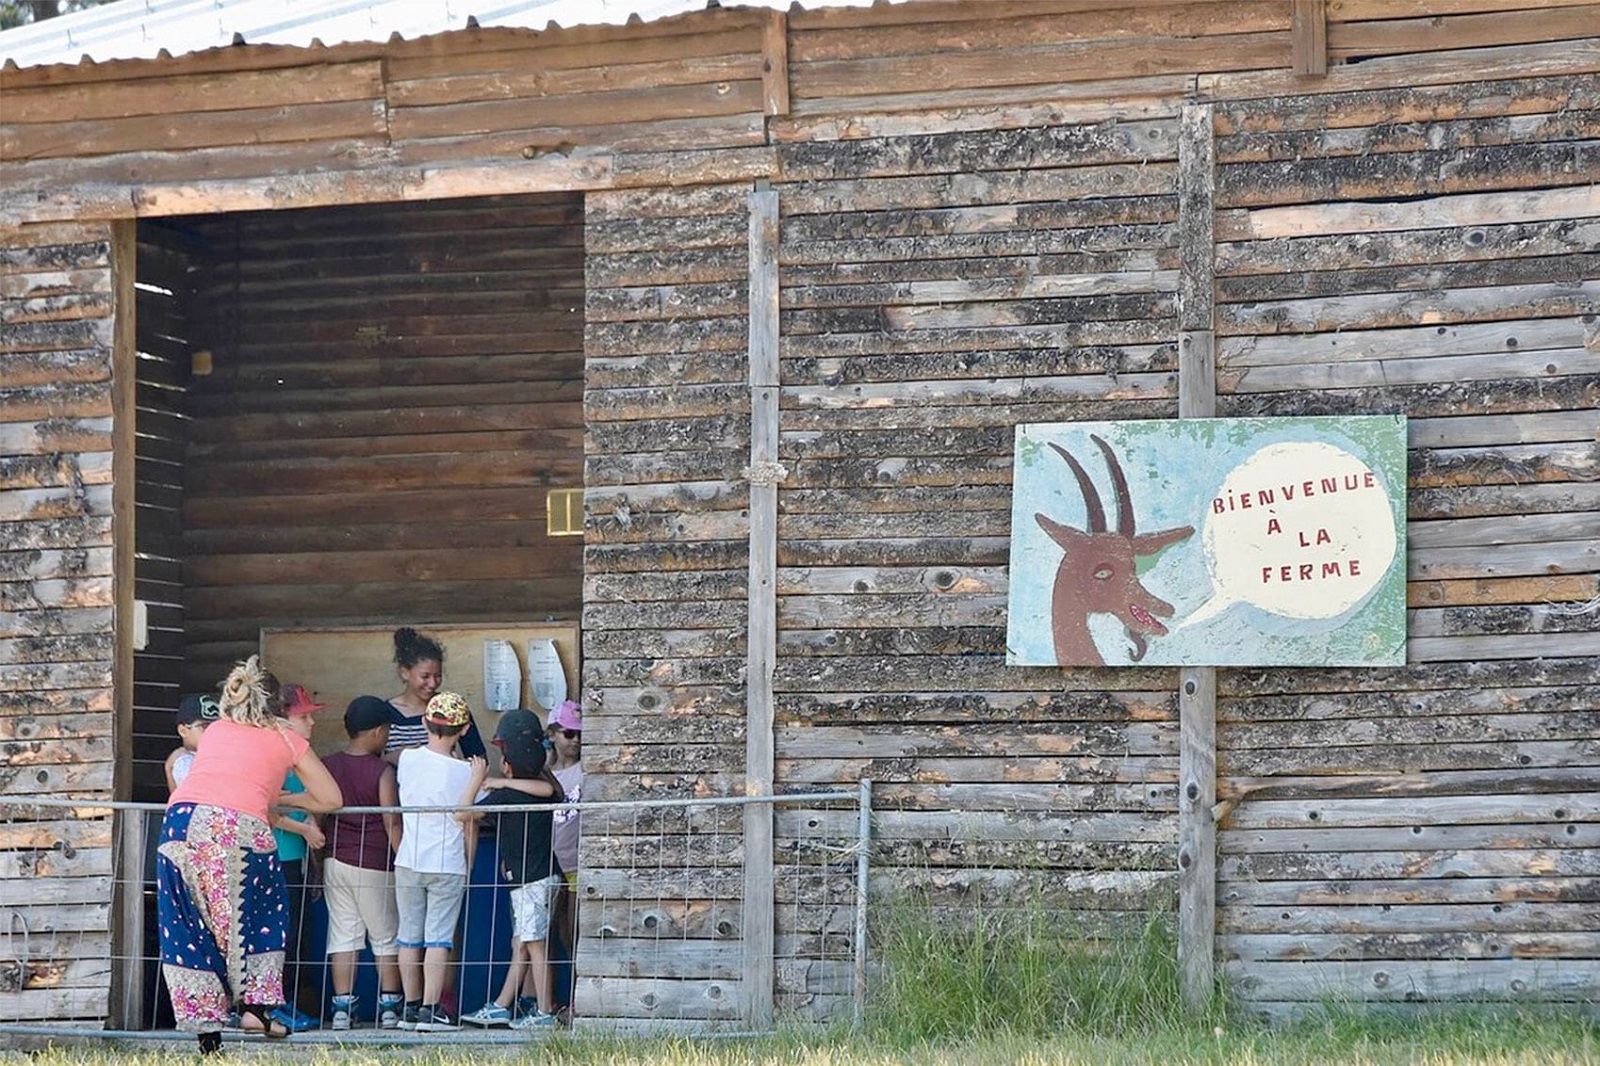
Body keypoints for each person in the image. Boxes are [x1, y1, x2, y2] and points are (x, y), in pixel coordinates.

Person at [157, 656, 342, 1054]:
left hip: (179, 820)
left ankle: (207, 1034)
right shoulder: (285, 737)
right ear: (281, 710)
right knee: (263, 911)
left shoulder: (219, 729)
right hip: (234, 825)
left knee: (190, 922)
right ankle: (257, 1009)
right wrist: (286, 796)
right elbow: (331, 798)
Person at [459, 709, 563, 1030]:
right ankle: (502, 1006)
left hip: (532, 881)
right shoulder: (542, 788)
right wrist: (507, 779)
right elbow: (550, 790)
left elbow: (463, 814)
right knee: (522, 943)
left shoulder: (506, 793)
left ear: (507, 762)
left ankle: (544, 1010)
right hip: (540, 878)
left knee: (534, 944)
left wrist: (480, 779)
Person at [394, 691, 483, 1032]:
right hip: (446, 860)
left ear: (423, 723)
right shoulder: (463, 772)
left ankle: (410, 1007)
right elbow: (467, 816)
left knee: (408, 936)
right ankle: (432, 1010)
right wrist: (475, 777)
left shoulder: (407, 760)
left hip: (409, 858)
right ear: (463, 730)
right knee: (438, 938)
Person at [321, 695, 405, 1031]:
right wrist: (404, 860)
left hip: (336, 860)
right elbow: (391, 822)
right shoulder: (382, 771)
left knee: (343, 936)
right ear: (374, 731)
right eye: (386, 730)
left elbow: (320, 811)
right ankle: (389, 1007)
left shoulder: (328, 765)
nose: (386, 737)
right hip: (373, 861)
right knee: (385, 936)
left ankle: (342, 1010)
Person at [270, 683, 328, 1033]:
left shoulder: (297, 756)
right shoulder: (275, 755)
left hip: (296, 859)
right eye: (303, 716)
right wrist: (304, 828)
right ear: (283, 719)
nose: (311, 722)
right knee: (279, 936)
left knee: (295, 936)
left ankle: (285, 1003)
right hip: (275, 857)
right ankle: (272, 1006)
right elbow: (267, 806)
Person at [383, 627, 486, 764]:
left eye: (438, 676)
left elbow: (478, 758)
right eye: (425, 676)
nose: (432, 683)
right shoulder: (385, 713)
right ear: (405, 672)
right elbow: (374, 764)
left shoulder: (451, 707)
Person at [545, 700, 583, 1017]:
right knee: (549, 933)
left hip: (577, 863)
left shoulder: (586, 771)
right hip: (549, 862)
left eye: (581, 735)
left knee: (574, 933)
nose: (575, 741)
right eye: (569, 733)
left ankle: (578, 999)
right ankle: (549, 1001)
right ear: (553, 734)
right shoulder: (543, 774)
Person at [164, 693, 219, 793]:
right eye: (205, 726)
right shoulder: (184, 761)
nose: (212, 732)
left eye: (216, 726)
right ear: (183, 731)